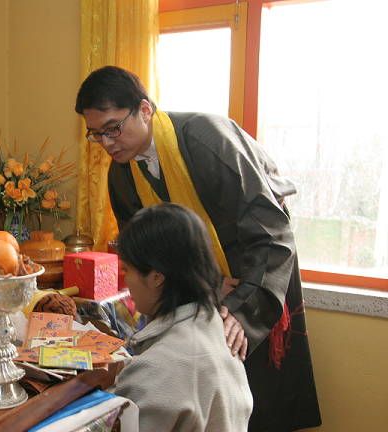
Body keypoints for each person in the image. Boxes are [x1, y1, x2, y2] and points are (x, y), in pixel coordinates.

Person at [75, 66, 321, 431]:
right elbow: (147, 253)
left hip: (255, 277)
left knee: (257, 393)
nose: (108, 143)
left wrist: (242, 311)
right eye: (96, 134)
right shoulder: (121, 175)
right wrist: (206, 280)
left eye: (113, 127)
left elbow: (270, 229)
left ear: (145, 110)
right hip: (201, 290)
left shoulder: (207, 138)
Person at [113, 203, 253, 432]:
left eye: (127, 269)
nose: (125, 280)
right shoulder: (217, 329)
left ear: (157, 277)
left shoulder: (158, 369)